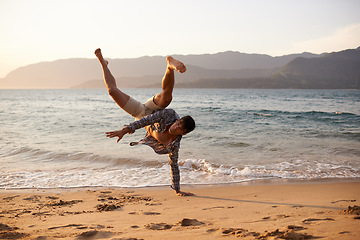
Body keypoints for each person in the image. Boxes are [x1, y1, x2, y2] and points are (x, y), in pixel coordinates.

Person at [94, 48, 195, 196]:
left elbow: (174, 166)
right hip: (152, 110)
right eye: (178, 122)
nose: (175, 125)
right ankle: (169, 66)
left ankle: (104, 64)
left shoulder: (173, 146)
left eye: (179, 127)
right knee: (167, 98)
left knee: (112, 91)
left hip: (138, 113)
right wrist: (126, 129)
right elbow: (148, 120)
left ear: (183, 133)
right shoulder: (170, 115)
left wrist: (178, 190)